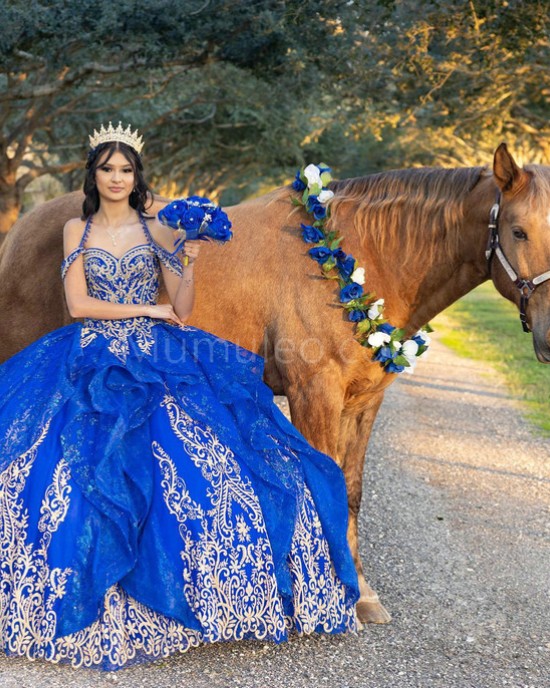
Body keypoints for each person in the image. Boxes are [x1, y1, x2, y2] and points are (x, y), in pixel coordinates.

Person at [0, 123, 359, 670]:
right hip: (94, 352)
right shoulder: (77, 228)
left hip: (156, 354)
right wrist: (144, 310)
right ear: (93, 176)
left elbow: (183, 307)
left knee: (201, 470)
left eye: (125, 170)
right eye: (107, 169)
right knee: (71, 468)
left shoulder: (160, 230)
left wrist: (187, 258)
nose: (117, 178)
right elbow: (77, 305)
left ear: (136, 176)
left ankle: (204, 597)